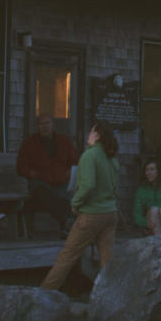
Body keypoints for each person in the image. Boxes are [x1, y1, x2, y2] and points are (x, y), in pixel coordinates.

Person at [41, 120, 122, 290]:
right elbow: (115, 187)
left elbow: (88, 185)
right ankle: (109, 297)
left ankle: (44, 293)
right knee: (107, 259)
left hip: (92, 213)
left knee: (67, 256)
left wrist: (75, 203)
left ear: (97, 135)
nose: (88, 135)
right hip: (110, 212)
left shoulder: (89, 156)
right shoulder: (111, 157)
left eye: (91, 132)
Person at [15, 114, 77, 235]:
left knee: (67, 197)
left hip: (61, 182)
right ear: (38, 127)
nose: (45, 127)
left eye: (48, 123)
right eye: (42, 124)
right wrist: (32, 173)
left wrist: (68, 173)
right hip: (40, 181)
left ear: (53, 125)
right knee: (42, 192)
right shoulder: (29, 143)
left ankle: (68, 227)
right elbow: (20, 166)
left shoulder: (64, 141)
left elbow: (74, 161)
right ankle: (65, 221)